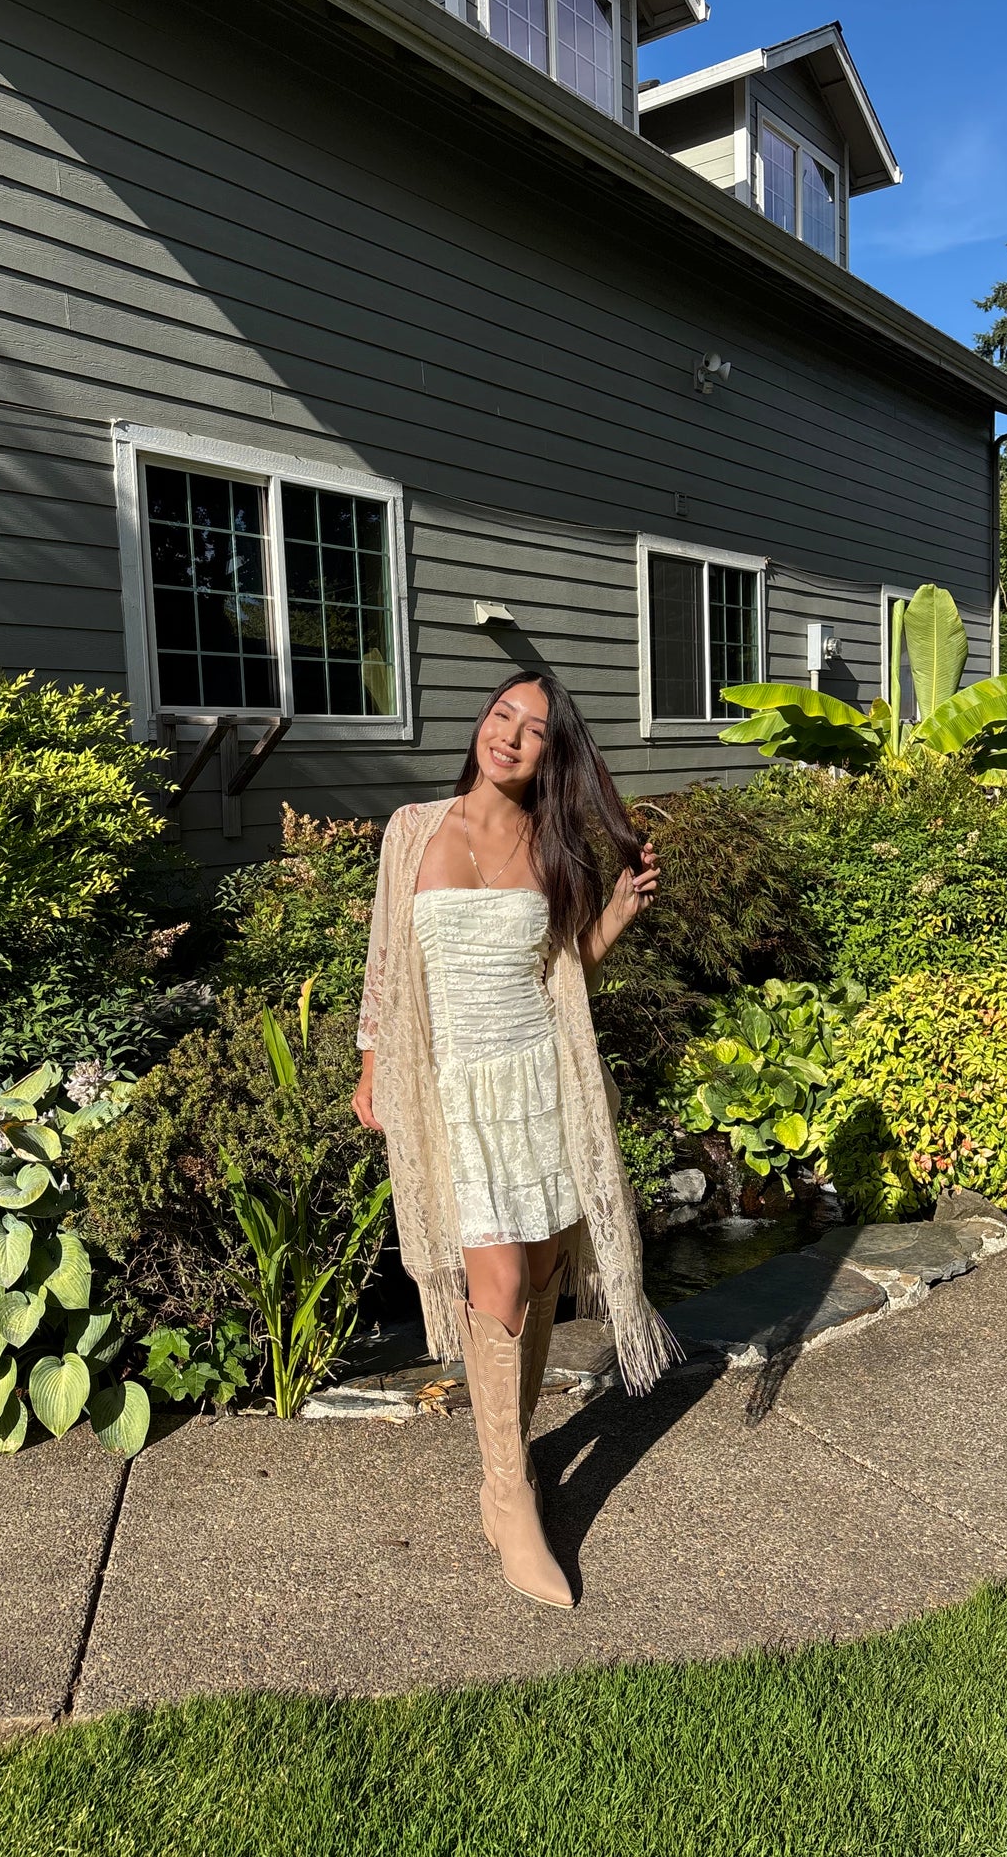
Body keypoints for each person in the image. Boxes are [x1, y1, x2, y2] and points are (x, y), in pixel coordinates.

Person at [352, 670, 676, 1610]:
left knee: (535, 1277)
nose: (510, 735)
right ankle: (509, 1495)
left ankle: (512, 1455)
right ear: (482, 723)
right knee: (491, 1282)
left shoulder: (552, 845)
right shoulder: (413, 829)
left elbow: (560, 976)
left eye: (533, 729)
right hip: (450, 1091)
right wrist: (372, 1065)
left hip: (538, 1085)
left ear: (549, 752)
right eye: (502, 715)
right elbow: (384, 962)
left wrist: (616, 914)